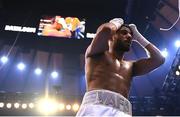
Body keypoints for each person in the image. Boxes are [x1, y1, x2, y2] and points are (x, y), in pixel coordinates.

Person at [76, 18, 165, 117]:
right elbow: (106, 30)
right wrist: (116, 23)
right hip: (96, 108)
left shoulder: (131, 66)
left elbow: (159, 59)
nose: (129, 36)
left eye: (131, 35)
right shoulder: (96, 54)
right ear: (113, 36)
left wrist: (139, 37)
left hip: (123, 112)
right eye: (124, 33)